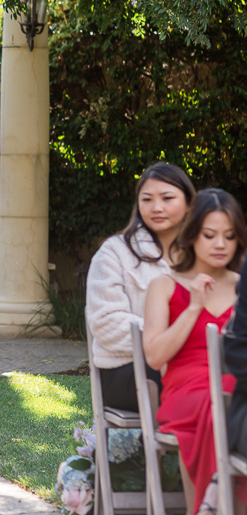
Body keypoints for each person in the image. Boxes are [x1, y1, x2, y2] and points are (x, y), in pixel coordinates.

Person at [143, 189, 247, 514]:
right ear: (191, 236)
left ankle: (213, 501)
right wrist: (192, 309)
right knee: (223, 397)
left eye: (229, 237)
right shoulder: (165, 285)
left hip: (233, 385)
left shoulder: (242, 285)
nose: (220, 245)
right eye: (210, 235)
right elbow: (154, 357)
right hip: (186, 391)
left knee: (231, 393)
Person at [86, 162, 196, 412]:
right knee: (205, 380)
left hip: (193, 363)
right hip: (126, 371)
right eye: (147, 199)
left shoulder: (202, 254)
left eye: (167, 198)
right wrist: (175, 338)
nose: (157, 207)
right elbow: (106, 325)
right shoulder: (115, 253)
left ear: (189, 203)